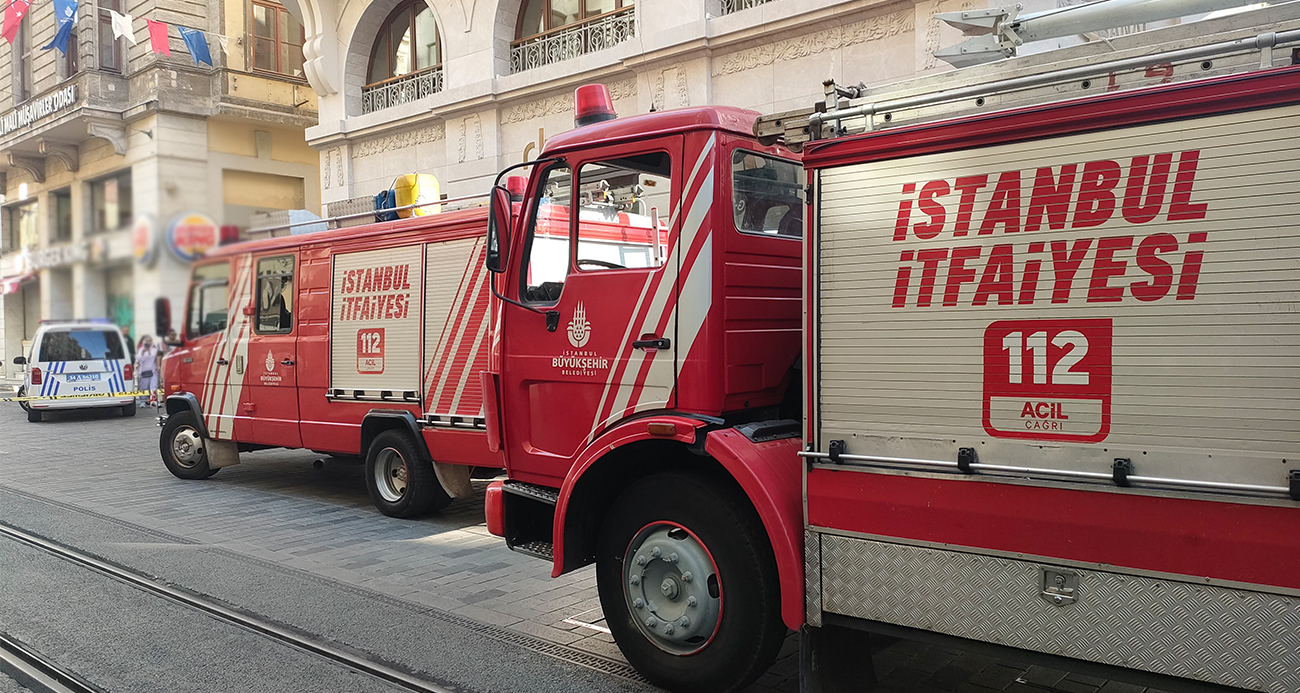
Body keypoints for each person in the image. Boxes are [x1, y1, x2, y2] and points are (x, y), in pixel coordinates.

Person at [136, 336, 160, 407]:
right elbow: (139, 359)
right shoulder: (141, 350)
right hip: (143, 371)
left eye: (149, 341)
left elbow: (157, 358)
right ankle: (143, 402)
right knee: (143, 387)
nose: (148, 342)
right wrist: (144, 352)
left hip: (153, 370)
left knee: (153, 386)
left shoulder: (155, 349)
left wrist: (158, 366)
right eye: (147, 341)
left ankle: (154, 401)